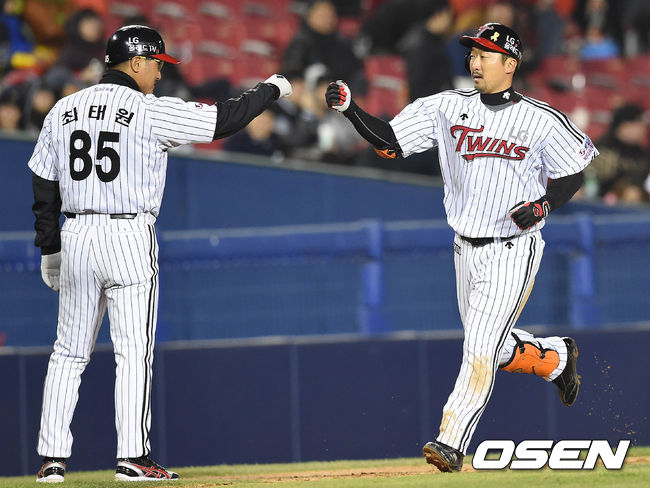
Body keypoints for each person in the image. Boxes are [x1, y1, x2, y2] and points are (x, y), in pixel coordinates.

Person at [325, 22, 596, 472]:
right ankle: (555, 358)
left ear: (510, 64)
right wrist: (352, 110)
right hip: (464, 248)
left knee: (480, 349)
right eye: (472, 53)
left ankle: (450, 441)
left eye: (485, 54)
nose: (475, 61)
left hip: (513, 248)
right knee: (490, 346)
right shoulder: (446, 107)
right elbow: (390, 142)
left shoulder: (541, 119)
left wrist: (543, 205)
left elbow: (574, 172)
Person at [29, 24, 291, 482]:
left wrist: (50, 247)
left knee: (68, 353)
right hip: (128, 234)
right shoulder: (149, 110)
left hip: (76, 235)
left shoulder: (63, 109)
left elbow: (43, 181)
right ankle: (132, 457)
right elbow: (224, 120)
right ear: (135, 62)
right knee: (133, 351)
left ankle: (52, 461)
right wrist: (270, 89)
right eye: (155, 63)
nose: (159, 72)